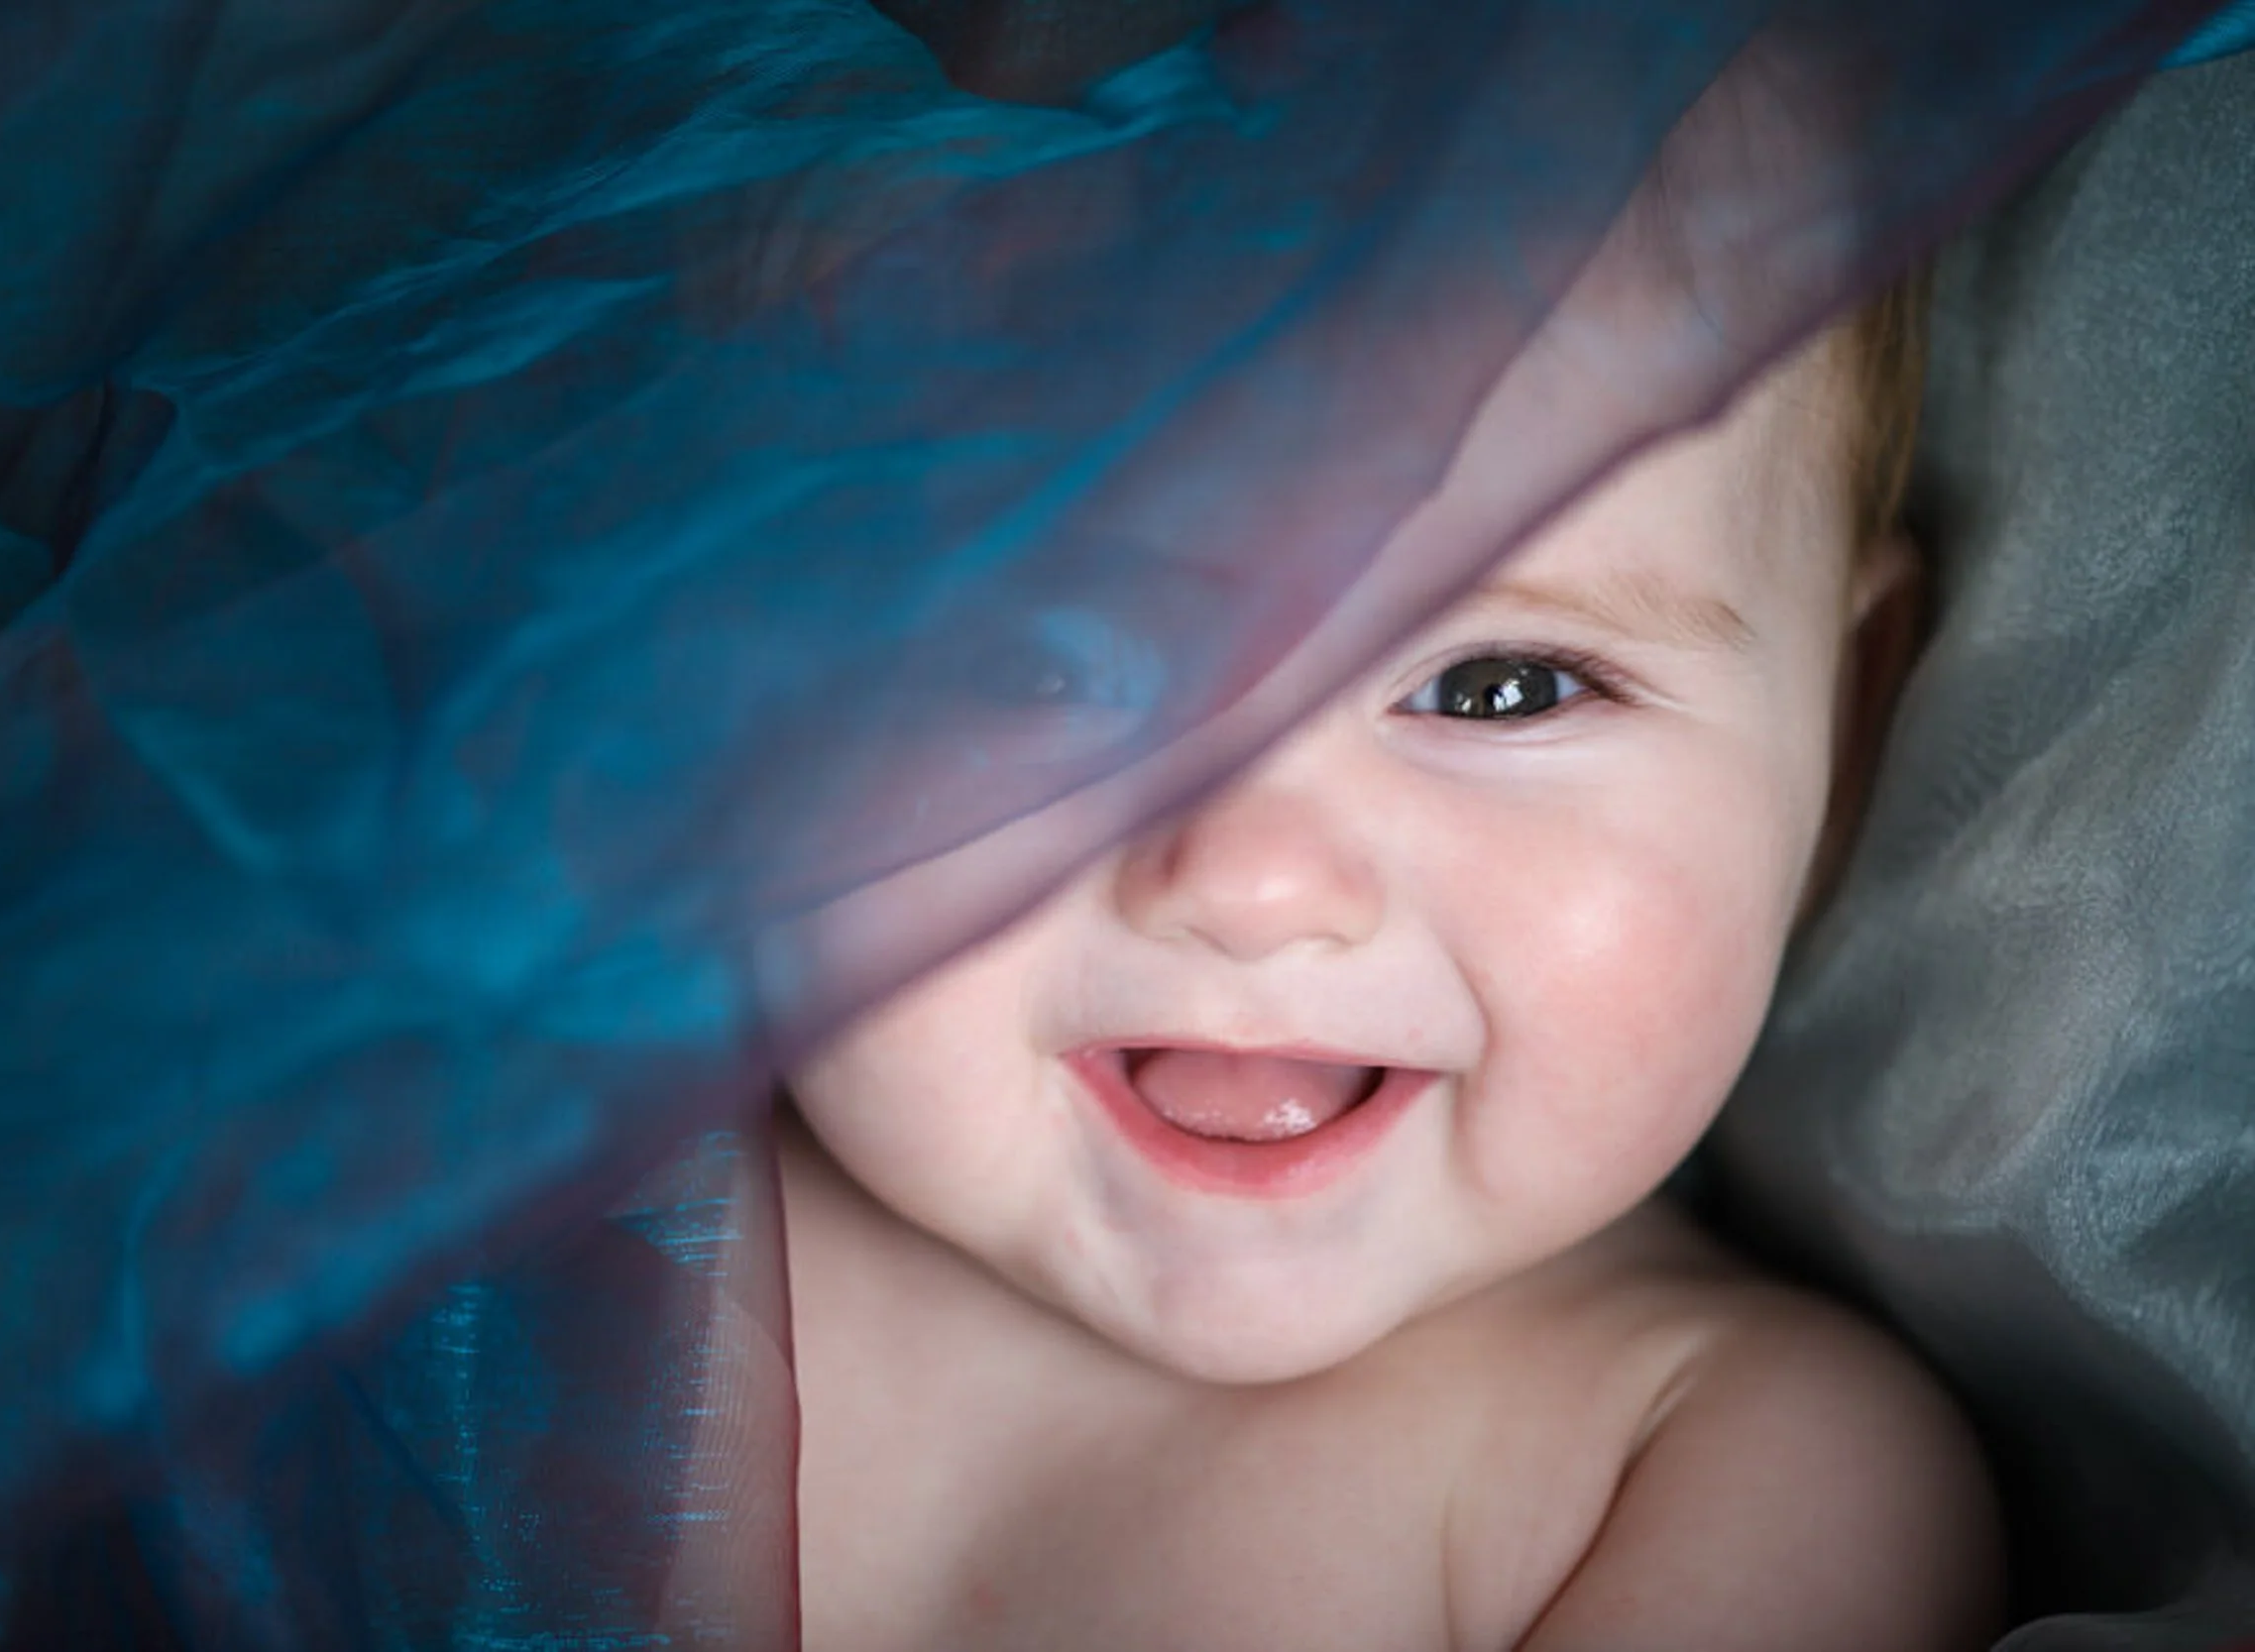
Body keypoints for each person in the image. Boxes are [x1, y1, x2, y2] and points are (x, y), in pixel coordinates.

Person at [769, 275, 2005, 1652]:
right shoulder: (604, 1181)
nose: (1252, 886)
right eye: (1035, 670)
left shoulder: (1726, 1471)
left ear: (1841, 735)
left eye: (1499, 689)